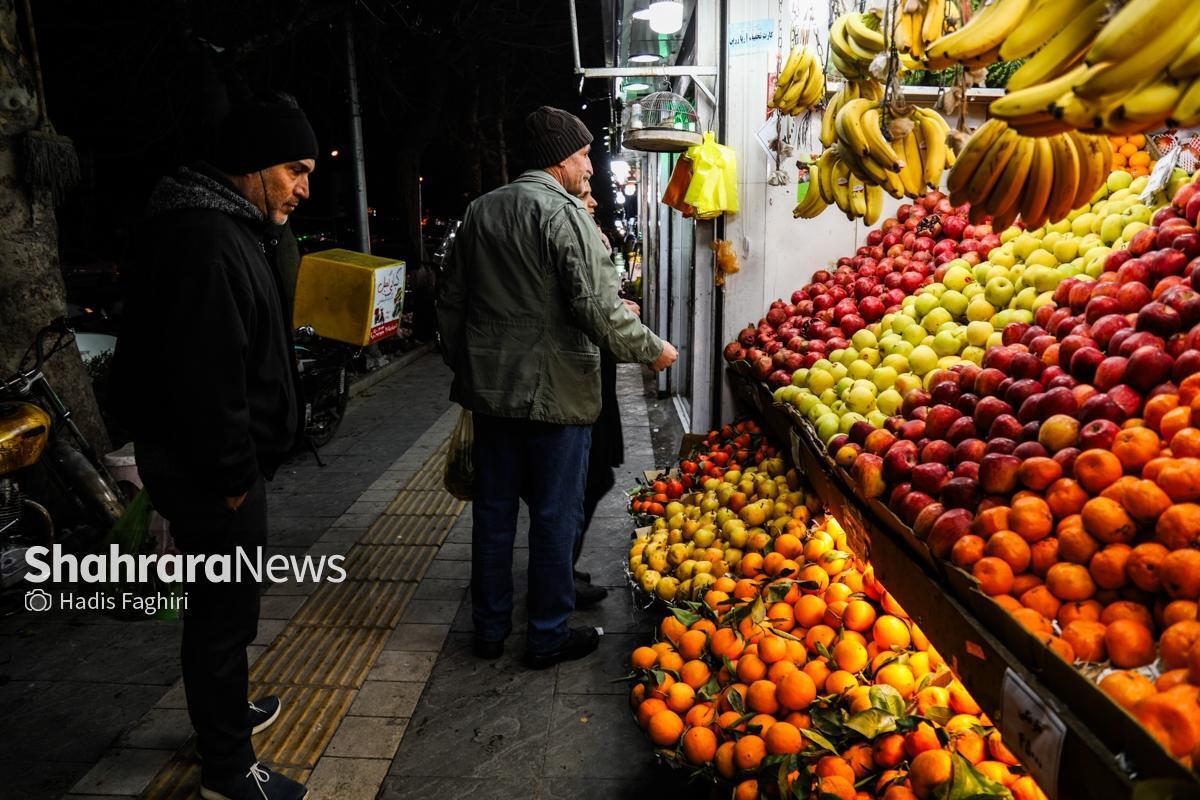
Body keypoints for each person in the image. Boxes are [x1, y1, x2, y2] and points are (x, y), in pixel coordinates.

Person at [110, 94, 316, 800]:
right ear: (253, 166)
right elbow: (205, 375)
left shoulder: (222, 227)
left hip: (214, 469)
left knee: (223, 610)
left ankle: (221, 718)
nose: (303, 188)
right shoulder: (205, 238)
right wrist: (233, 477)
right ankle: (228, 767)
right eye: (295, 169)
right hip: (212, 474)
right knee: (223, 617)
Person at [438, 106, 677, 669]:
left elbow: (450, 304)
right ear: (560, 160)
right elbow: (596, 305)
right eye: (583, 156)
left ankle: (490, 631)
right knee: (553, 517)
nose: (589, 167)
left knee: (493, 514)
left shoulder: (479, 212)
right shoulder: (563, 213)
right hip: (558, 398)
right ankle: (546, 636)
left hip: (492, 397)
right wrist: (651, 350)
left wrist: (472, 368)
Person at [570, 178, 638, 608]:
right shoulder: (572, 235)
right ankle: (558, 576)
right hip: (582, 380)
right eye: (585, 193)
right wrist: (649, 348)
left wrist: (618, 306)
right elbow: (585, 304)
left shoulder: (589, 233)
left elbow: (597, 298)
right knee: (589, 477)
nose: (593, 199)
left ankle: (560, 569)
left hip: (597, 376)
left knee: (592, 475)